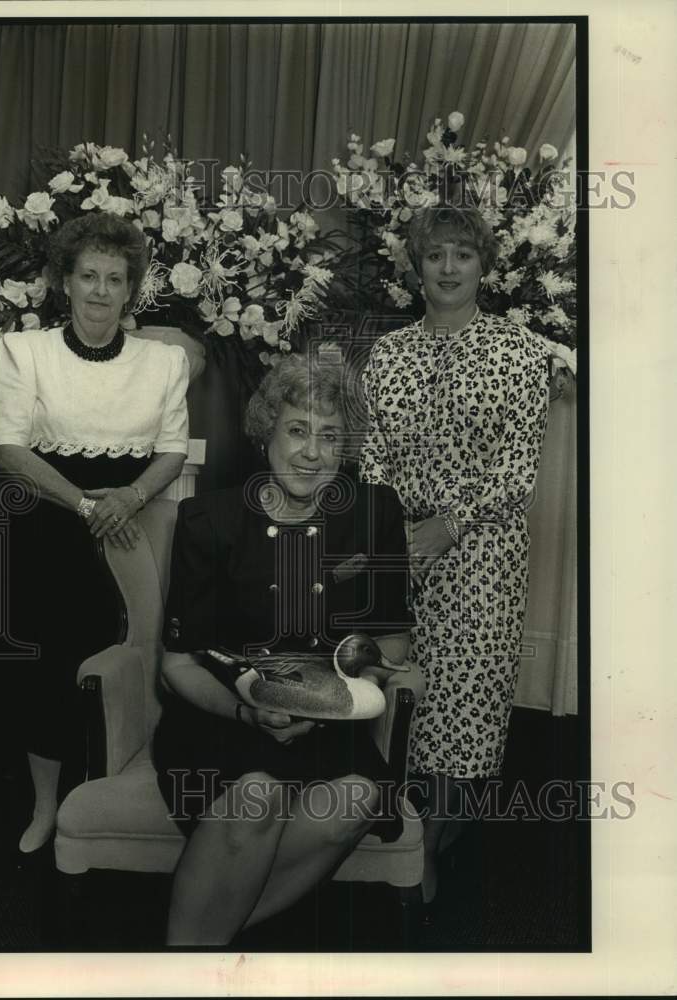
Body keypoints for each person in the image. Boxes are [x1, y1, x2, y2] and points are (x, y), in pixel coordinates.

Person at [153, 349, 412, 946]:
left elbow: (390, 644)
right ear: (265, 430)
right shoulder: (208, 519)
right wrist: (248, 710)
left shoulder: (374, 516)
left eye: (330, 436)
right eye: (297, 430)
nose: (312, 453)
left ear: (346, 448)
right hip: (222, 717)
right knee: (257, 794)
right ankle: (192, 954)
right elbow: (177, 666)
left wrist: (341, 694)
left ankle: (199, 939)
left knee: (356, 797)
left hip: (331, 721)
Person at [359, 204, 551, 908]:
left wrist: (452, 523)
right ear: (416, 266)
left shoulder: (520, 352)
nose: (446, 269)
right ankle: (404, 829)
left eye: (461, 256)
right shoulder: (388, 353)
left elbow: (518, 466)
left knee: (463, 702)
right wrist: (386, 537)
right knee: (402, 687)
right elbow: (372, 456)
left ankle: (434, 840)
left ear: (482, 266)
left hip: (482, 550)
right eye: (434, 256)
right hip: (402, 547)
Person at [0, 212, 189, 853]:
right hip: (51, 524)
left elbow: (173, 451)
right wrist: (83, 506)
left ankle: (113, 798)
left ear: (132, 291)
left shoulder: (163, 361)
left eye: (115, 279)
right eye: (88, 276)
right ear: (63, 283)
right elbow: (5, 450)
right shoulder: (25, 351)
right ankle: (47, 807)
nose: (101, 291)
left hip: (136, 525)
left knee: (134, 658)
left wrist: (128, 498)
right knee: (52, 669)